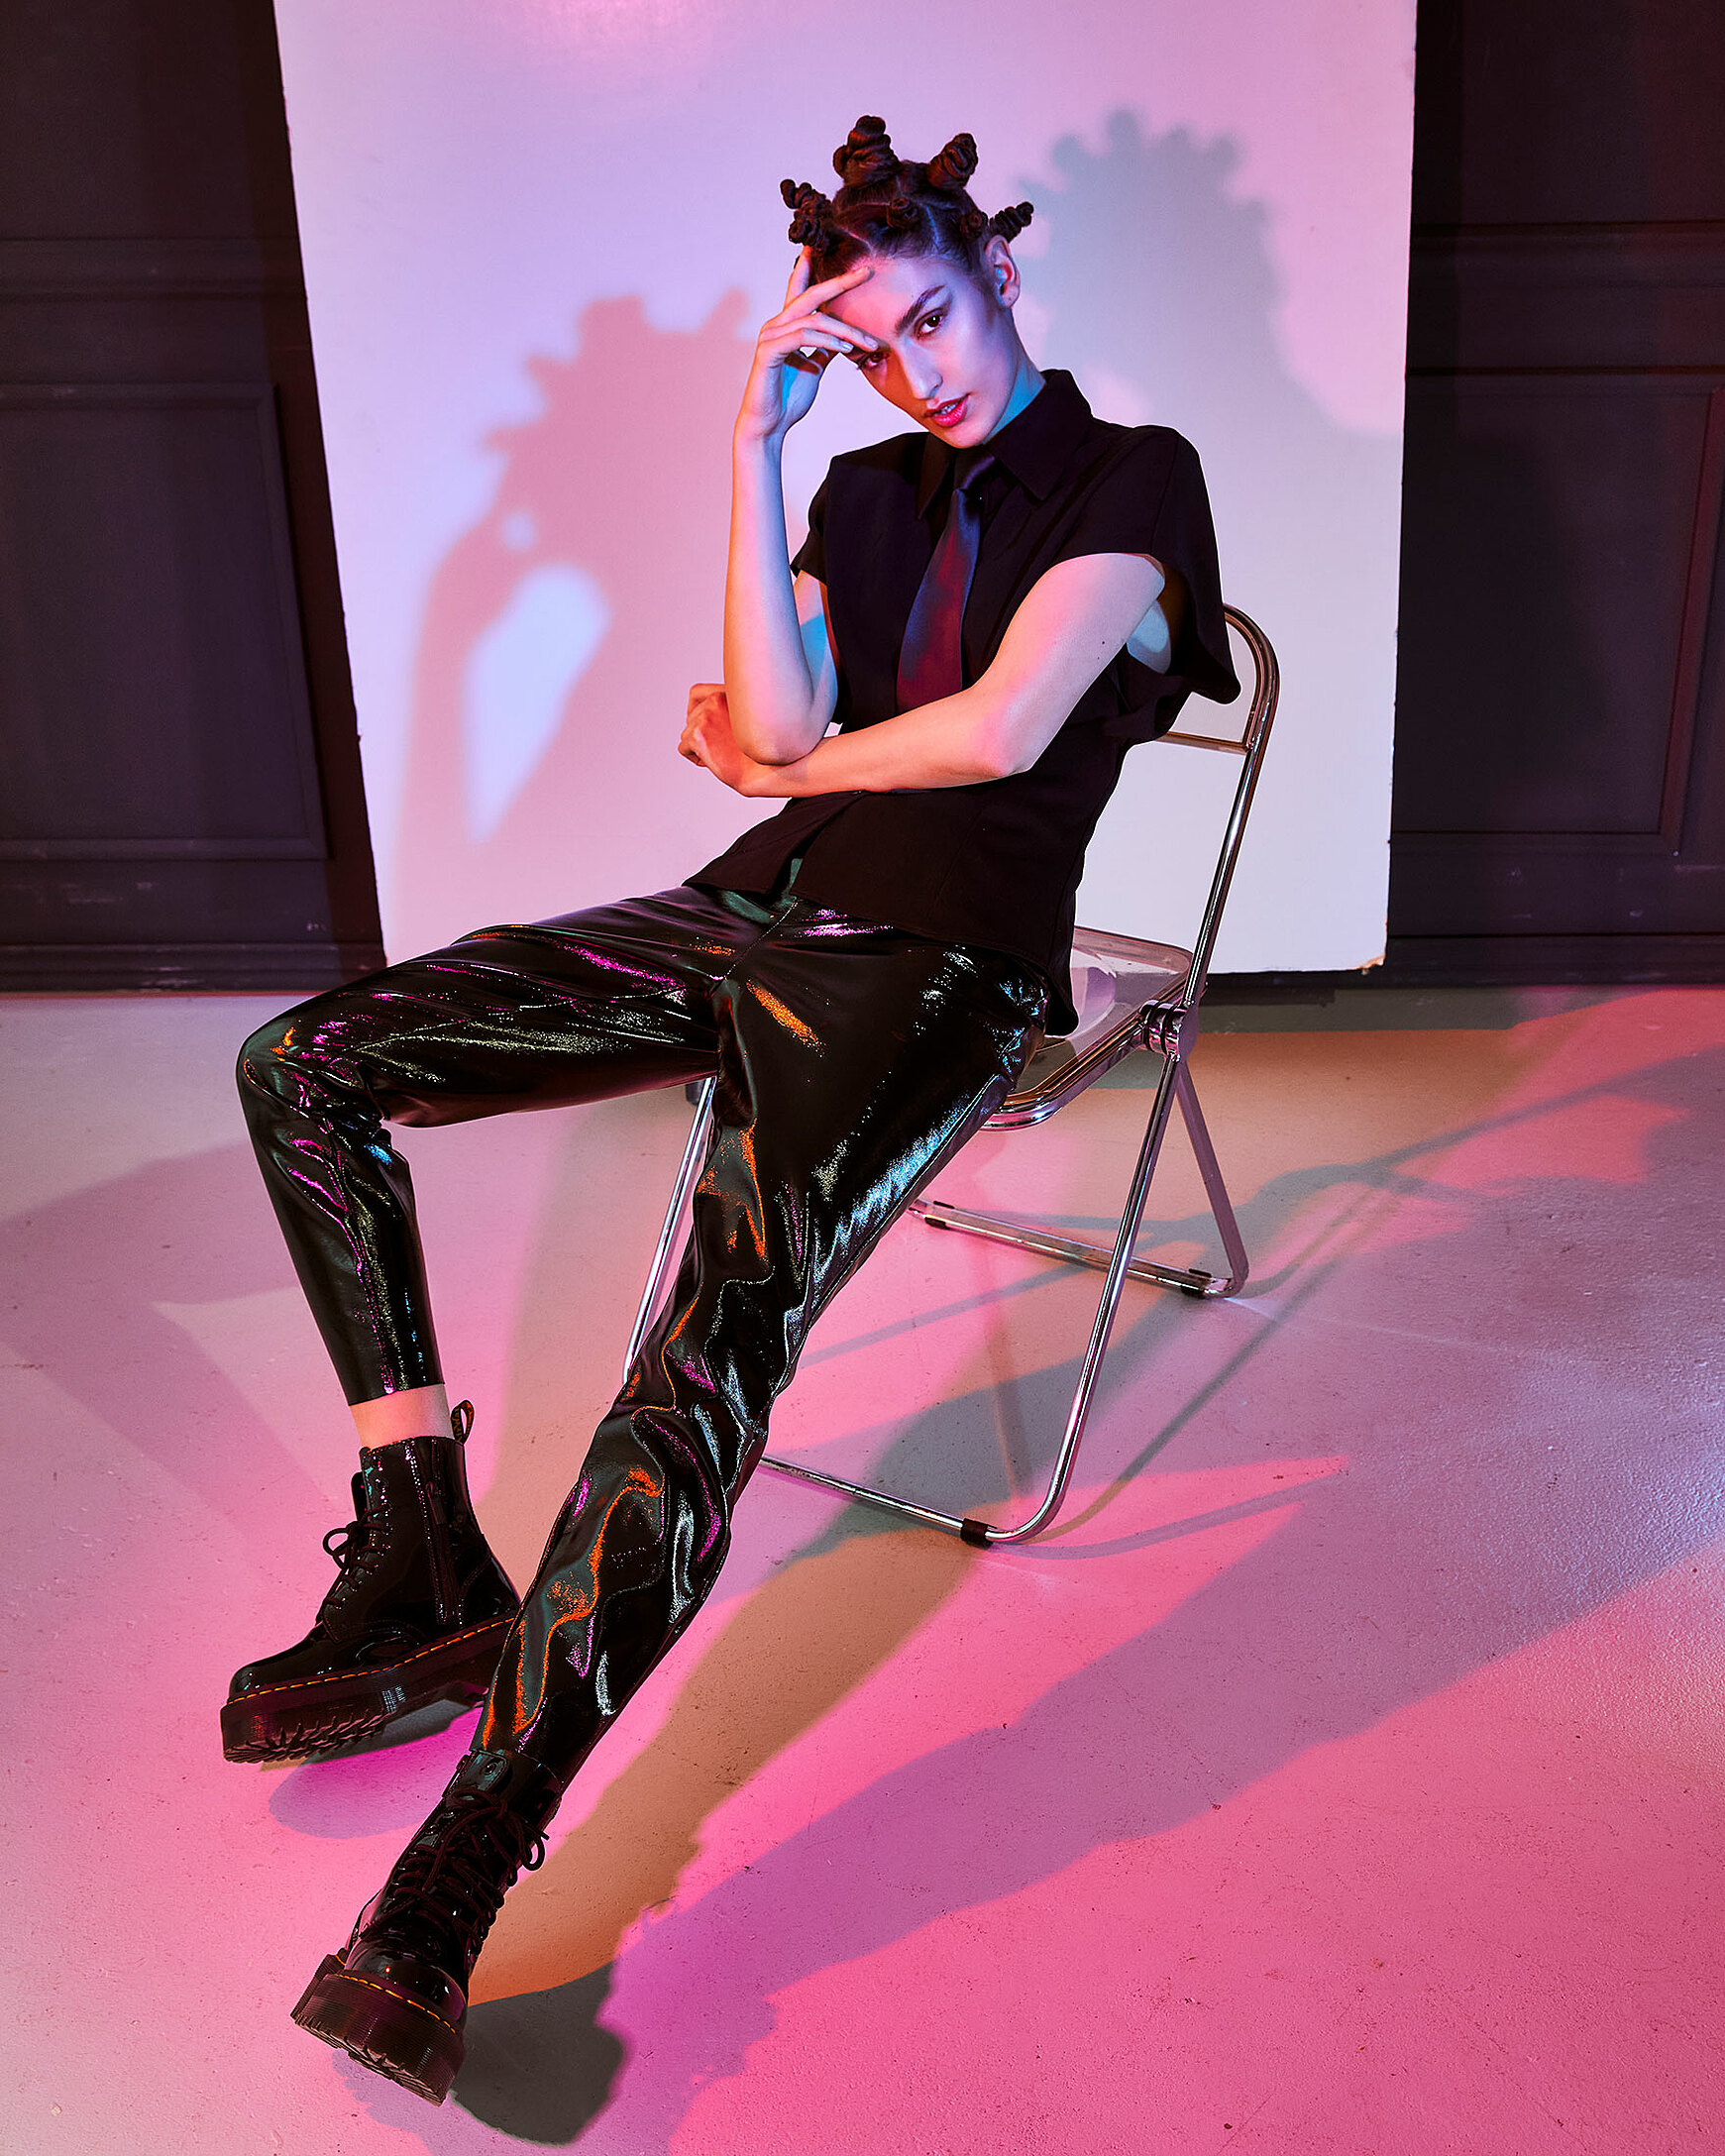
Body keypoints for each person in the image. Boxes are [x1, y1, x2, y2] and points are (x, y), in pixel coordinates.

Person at [230, 116, 1238, 2102]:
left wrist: (798, 750)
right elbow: (765, 741)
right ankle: (426, 1535)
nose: (918, 368)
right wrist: (752, 445)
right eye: (873, 345)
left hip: (937, 970)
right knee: (307, 1060)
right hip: (751, 911)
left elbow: (1003, 726)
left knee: (698, 1359)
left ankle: (450, 1882)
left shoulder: (1135, 477)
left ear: (999, 273)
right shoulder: (850, 481)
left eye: (935, 314)